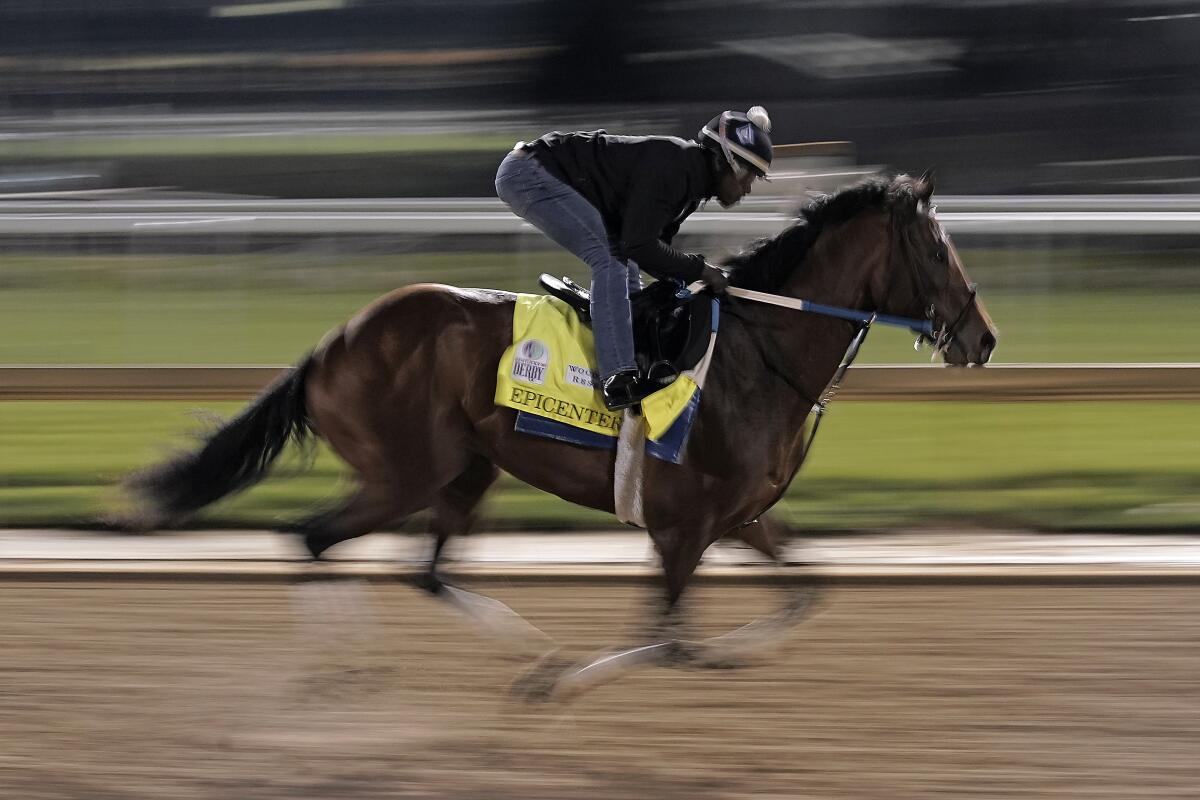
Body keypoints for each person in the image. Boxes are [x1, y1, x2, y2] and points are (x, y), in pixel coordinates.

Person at [495, 107, 774, 411]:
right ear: (725, 161)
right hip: (528, 173)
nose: (747, 188)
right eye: (748, 174)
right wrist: (701, 269)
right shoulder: (674, 168)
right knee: (610, 259)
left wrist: (690, 280)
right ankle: (617, 377)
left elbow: (654, 254)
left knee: (625, 267)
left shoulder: (692, 186)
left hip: (552, 172)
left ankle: (629, 350)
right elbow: (639, 246)